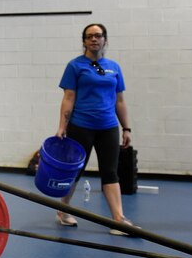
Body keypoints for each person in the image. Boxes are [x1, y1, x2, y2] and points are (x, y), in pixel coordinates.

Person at [55, 23, 136, 235]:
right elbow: (68, 98)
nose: (94, 39)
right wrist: (62, 126)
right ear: (84, 41)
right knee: (75, 170)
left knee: (110, 171)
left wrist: (126, 128)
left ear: (105, 40)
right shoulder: (75, 66)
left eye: (98, 36)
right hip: (81, 126)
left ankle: (117, 219)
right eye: (89, 36)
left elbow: (120, 101)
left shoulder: (114, 67)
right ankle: (63, 210)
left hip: (108, 127)